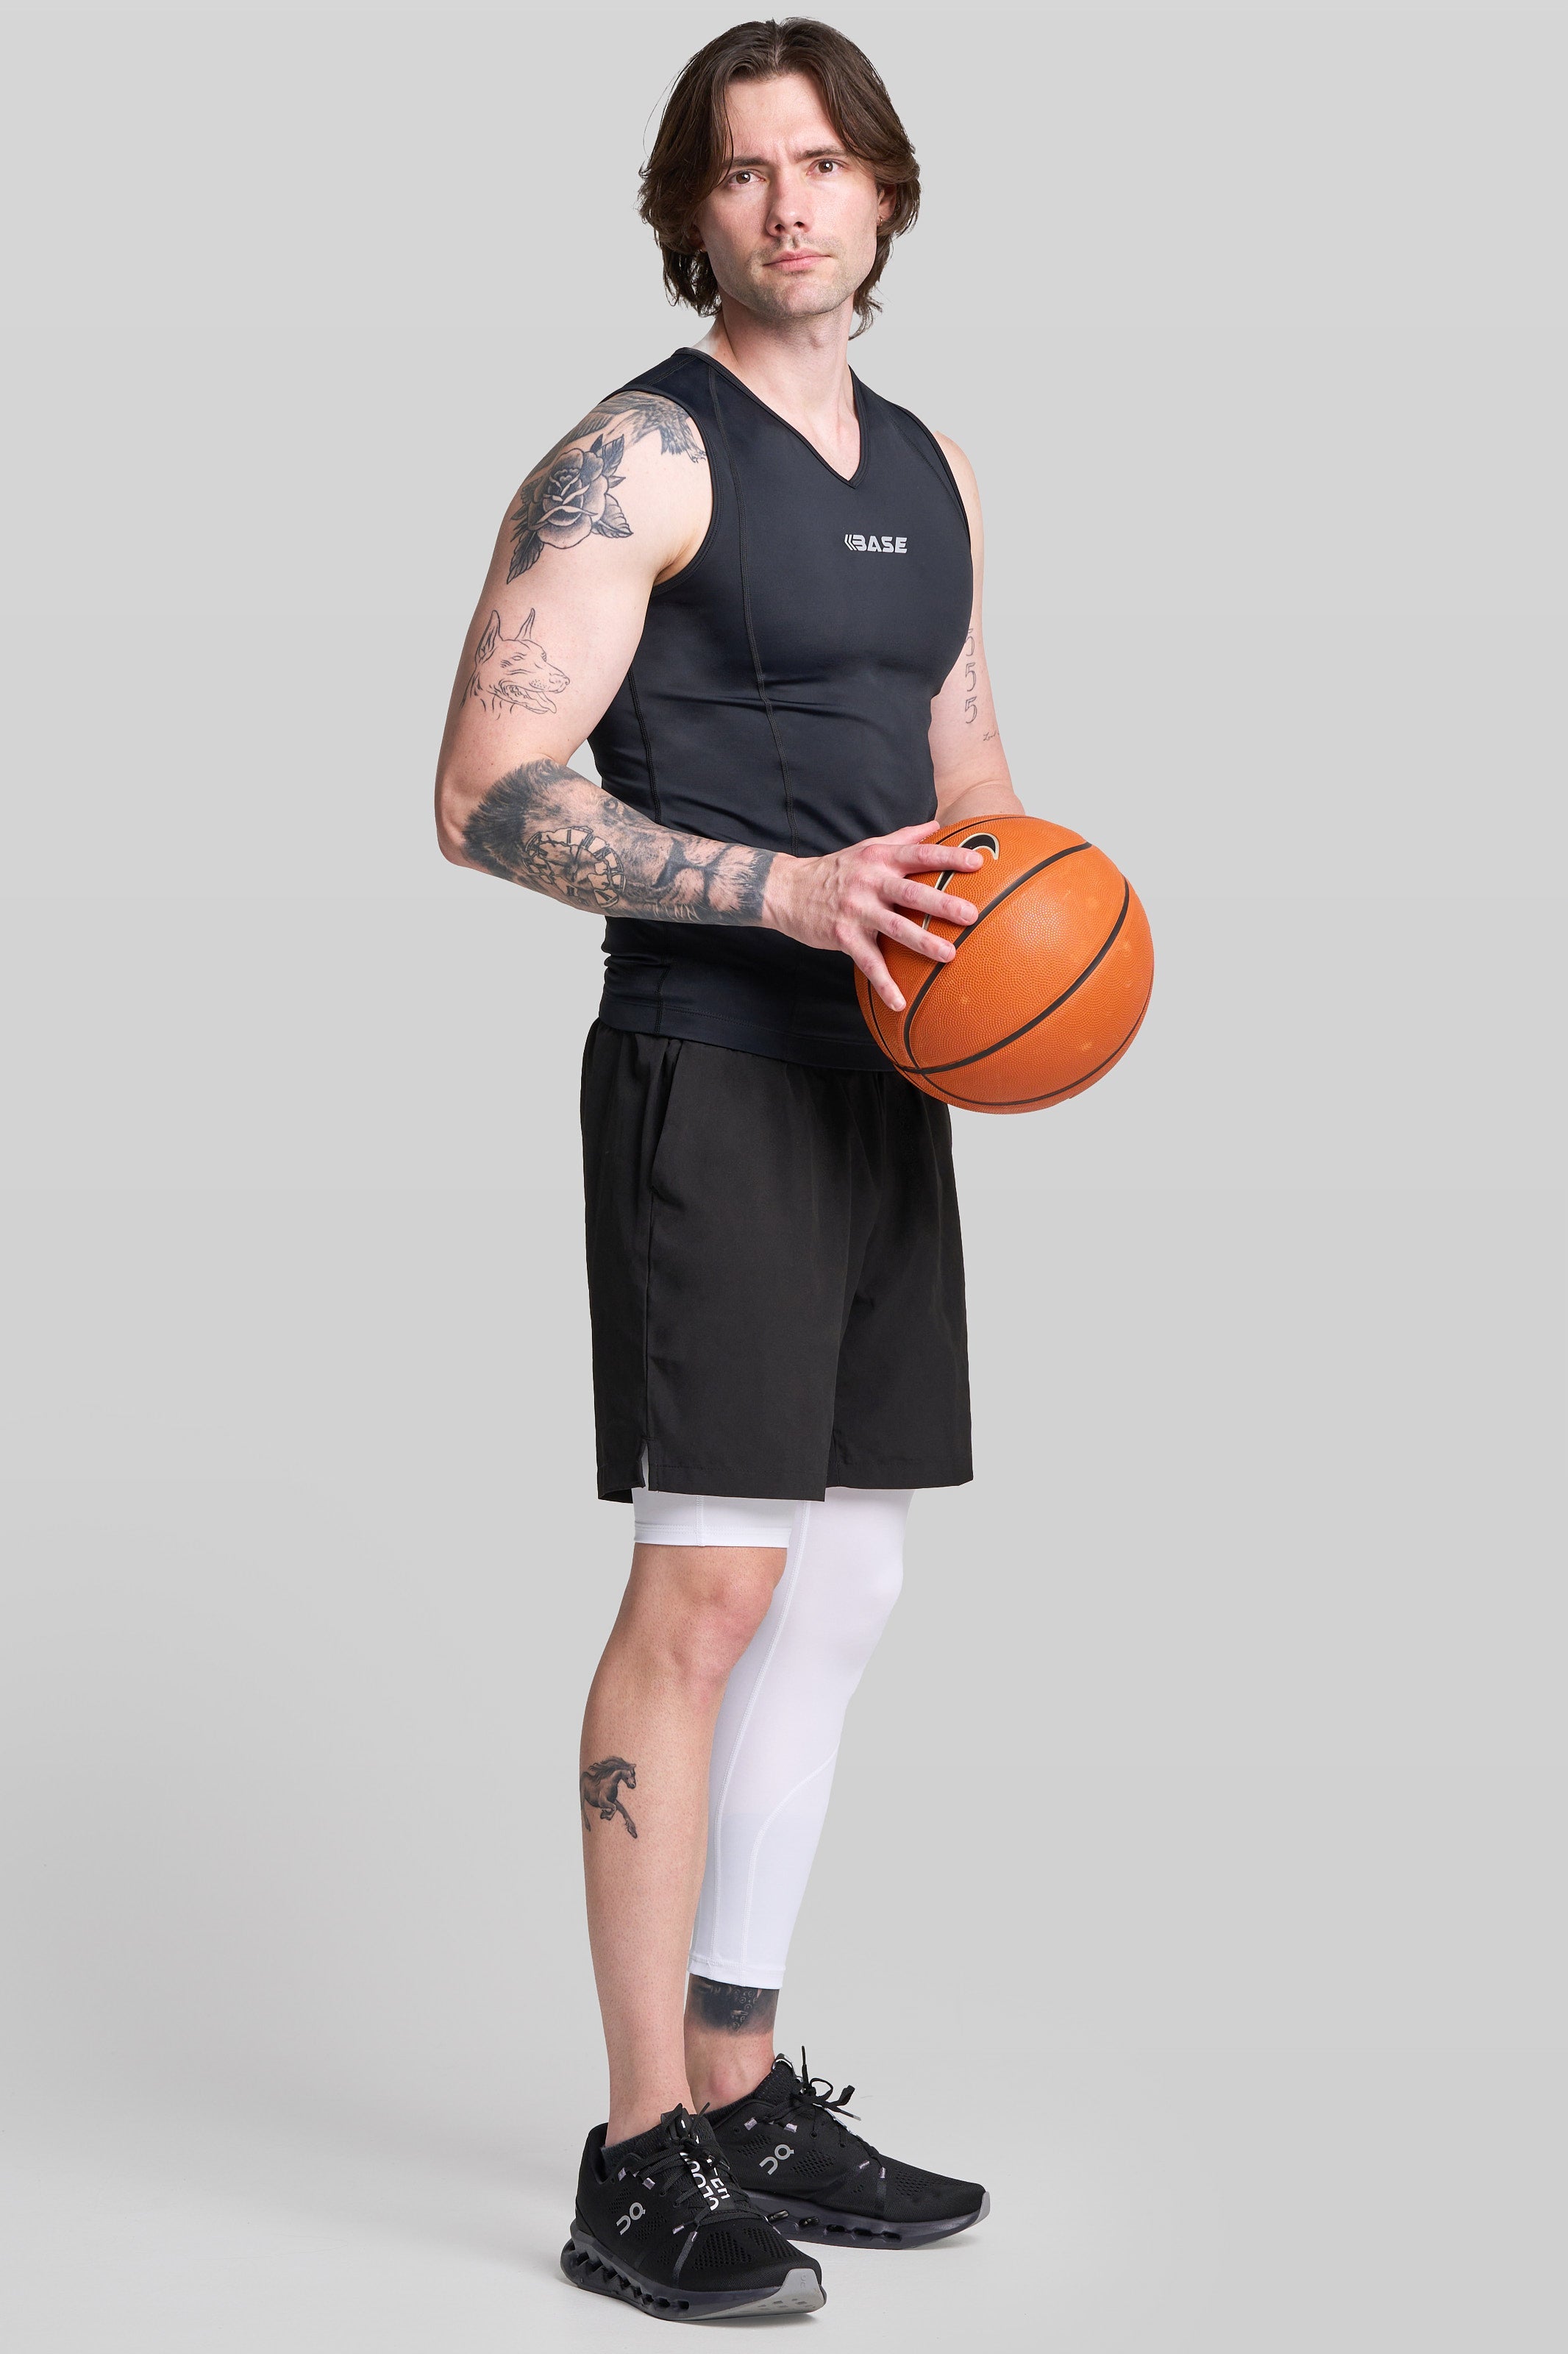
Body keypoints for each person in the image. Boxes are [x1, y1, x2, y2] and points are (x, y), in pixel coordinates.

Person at [435, 16, 1022, 2322]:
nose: (790, 202)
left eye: (825, 162)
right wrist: (779, 894)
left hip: (885, 1077)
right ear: (692, 212)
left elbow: (971, 779)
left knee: (845, 1578)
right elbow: (486, 790)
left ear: (884, 192)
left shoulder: (932, 466)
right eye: (745, 169)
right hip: (714, 1062)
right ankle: (634, 2153)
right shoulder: (635, 457)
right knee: (707, 1599)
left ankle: (742, 2075)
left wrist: (1031, 962)